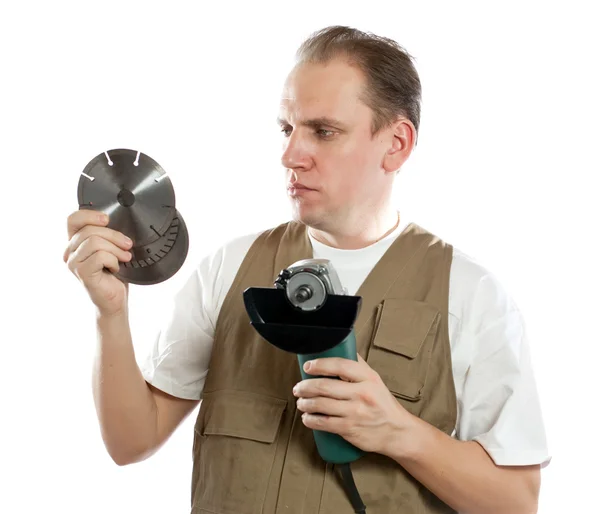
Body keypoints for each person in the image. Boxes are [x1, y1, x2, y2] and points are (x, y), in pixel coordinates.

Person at [64, 25, 550, 514]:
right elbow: (131, 442)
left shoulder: (469, 295)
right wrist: (111, 312)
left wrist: (398, 432)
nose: (290, 156)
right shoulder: (230, 270)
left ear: (397, 143)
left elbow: (516, 502)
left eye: (323, 131)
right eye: (287, 129)